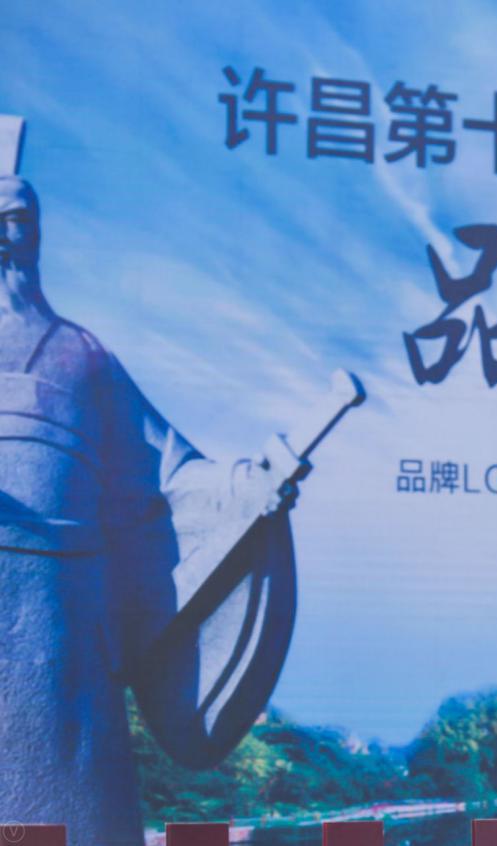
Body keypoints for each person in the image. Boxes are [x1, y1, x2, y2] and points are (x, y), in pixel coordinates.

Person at [0, 174, 299, 846]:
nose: (2, 235)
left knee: (74, 805)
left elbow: (164, 476)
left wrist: (245, 491)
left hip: (63, 639)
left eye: (15, 217)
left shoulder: (81, 356)